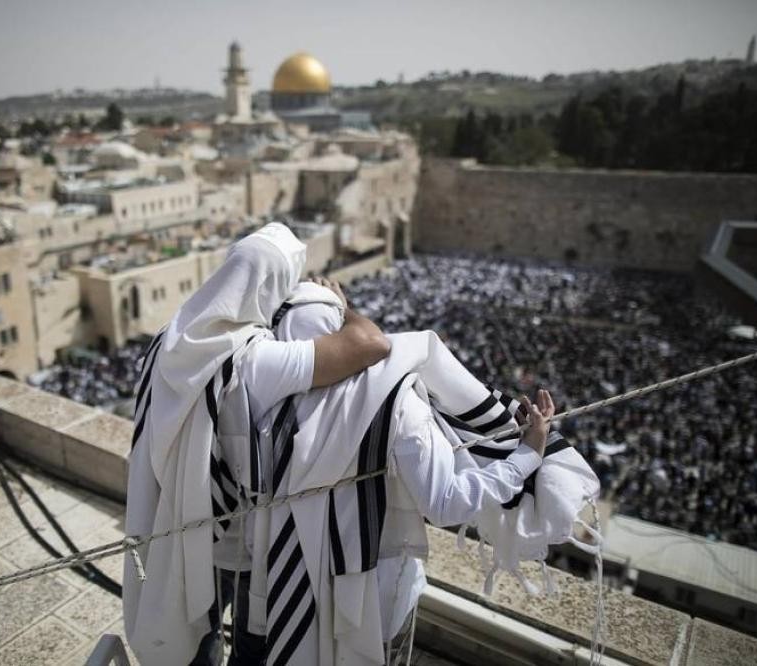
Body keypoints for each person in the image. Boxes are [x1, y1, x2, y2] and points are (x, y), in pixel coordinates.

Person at [242, 282, 552, 665]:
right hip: (379, 590)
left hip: (288, 584)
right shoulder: (396, 403)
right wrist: (528, 455)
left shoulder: (262, 404)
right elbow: (445, 503)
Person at [123, 223, 391, 665]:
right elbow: (371, 344)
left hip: (176, 526)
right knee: (251, 647)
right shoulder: (256, 361)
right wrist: (343, 307)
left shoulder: (168, 340)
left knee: (192, 633)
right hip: (244, 545)